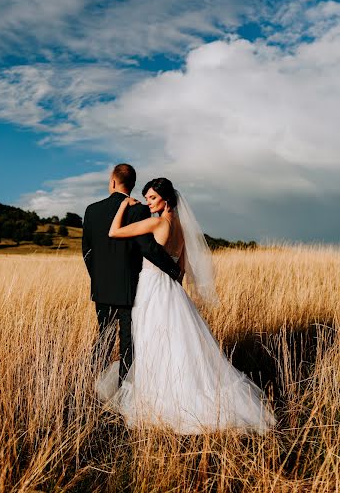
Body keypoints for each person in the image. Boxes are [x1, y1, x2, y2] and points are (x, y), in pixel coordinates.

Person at [96, 177, 276, 434]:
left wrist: (123, 206)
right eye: (146, 198)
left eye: (152, 198)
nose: (148, 203)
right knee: (179, 344)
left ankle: (161, 402)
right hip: (173, 292)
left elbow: (114, 232)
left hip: (151, 289)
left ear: (166, 200)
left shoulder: (157, 222)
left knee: (152, 342)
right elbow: (180, 270)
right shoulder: (180, 228)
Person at [82, 165, 181, 385]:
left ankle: (87, 382)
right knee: (128, 342)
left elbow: (86, 252)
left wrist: (98, 277)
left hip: (102, 288)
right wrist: (173, 270)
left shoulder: (91, 210)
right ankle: (123, 388)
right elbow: (146, 248)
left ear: (113, 181)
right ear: (133, 184)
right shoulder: (138, 210)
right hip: (130, 287)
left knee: (104, 338)